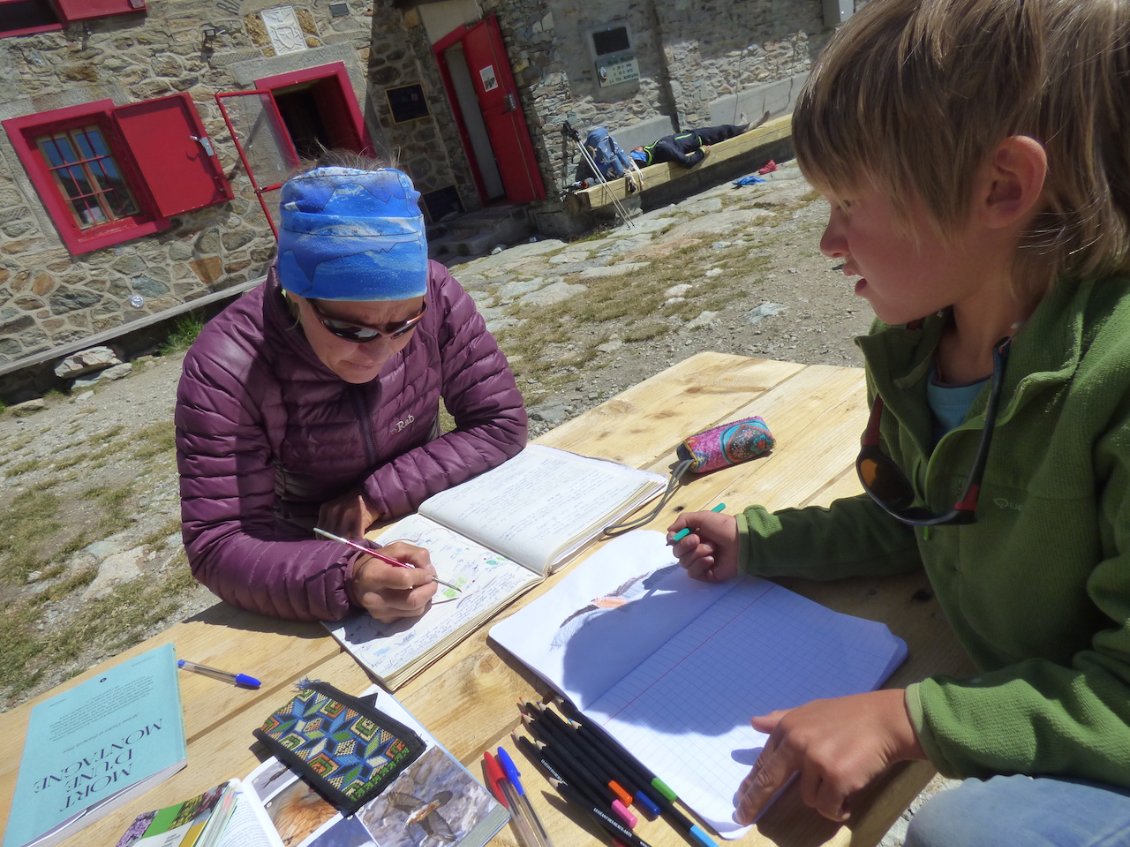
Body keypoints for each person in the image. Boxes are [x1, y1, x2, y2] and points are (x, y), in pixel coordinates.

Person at [667, 0, 1130, 843]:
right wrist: (762, 542)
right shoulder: (921, 344)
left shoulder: (1118, 382)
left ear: (1000, 187)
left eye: (848, 200)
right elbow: (927, 518)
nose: (828, 241)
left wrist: (907, 719)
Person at [175, 157, 527, 623]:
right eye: (350, 329)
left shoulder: (438, 293)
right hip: (308, 550)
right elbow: (219, 543)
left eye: (404, 325)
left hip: (428, 511)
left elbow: (500, 422)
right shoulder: (227, 365)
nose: (380, 351)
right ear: (294, 293)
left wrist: (376, 495)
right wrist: (347, 574)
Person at [629, 123, 749, 168]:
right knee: (723, 130)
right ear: (641, 151)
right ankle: (745, 128)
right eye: (635, 150)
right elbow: (687, 162)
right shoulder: (662, 148)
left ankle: (740, 126)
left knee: (723, 130)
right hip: (699, 139)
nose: (635, 147)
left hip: (691, 135)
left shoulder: (654, 152)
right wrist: (701, 151)